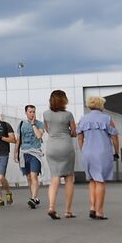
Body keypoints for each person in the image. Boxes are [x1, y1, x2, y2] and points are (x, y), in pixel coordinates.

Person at [76, 96, 119, 220]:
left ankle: (92, 207)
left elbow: (79, 138)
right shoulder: (107, 119)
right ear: (101, 105)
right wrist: (116, 152)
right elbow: (114, 137)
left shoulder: (82, 119)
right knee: (100, 181)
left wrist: (83, 150)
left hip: (87, 153)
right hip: (102, 153)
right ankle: (99, 211)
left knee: (92, 180)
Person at [42, 89, 77, 220]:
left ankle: (51, 207)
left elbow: (47, 129)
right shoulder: (68, 115)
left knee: (54, 178)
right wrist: (68, 130)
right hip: (65, 146)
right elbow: (74, 132)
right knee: (68, 178)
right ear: (64, 100)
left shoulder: (46, 114)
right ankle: (68, 211)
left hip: (51, 146)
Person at [15, 104, 45, 208]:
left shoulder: (40, 124)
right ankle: (34, 197)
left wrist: (33, 125)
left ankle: (32, 198)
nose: (32, 114)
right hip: (24, 153)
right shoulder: (21, 124)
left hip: (35, 153)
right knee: (28, 177)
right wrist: (16, 153)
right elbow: (19, 140)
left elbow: (39, 135)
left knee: (34, 176)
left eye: (34, 112)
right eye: (30, 112)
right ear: (26, 112)